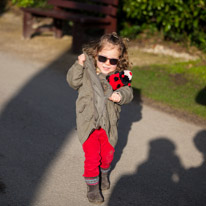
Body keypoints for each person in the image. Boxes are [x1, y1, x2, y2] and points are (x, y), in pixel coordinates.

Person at [66, 32, 133, 204]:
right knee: (92, 157)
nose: (107, 64)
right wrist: (78, 64)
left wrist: (120, 95)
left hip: (108, 124)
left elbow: (128, 92)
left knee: (107, 154)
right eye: (103, 58)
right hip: (88, 123)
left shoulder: (119, 75)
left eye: (113, 60)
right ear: (96, 54)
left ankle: (104, 173)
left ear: (119, 61)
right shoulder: (87, 71)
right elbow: (73, 82)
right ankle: (92, 188)